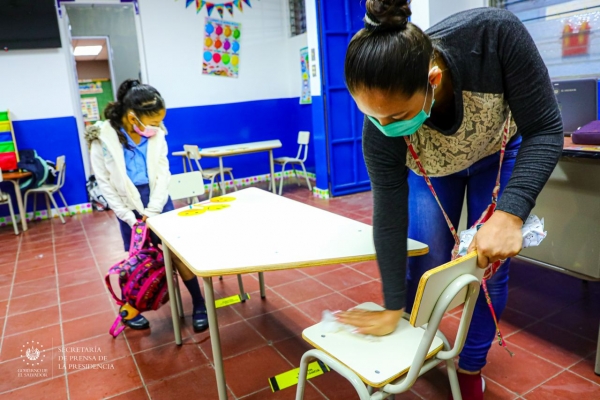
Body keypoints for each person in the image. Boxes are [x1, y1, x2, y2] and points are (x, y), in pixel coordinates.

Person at [337, 2, 562, 399]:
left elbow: (545, 128)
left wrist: (510, 214)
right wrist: (391, 305)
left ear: (433, 79)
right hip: (434, 167)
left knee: (486, 268)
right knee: (426, 260)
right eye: (374, 118)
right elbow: (389, 213)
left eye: (397, 116)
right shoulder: (382, 128)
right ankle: (414, 344)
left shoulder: (493, 35)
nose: (386, 129)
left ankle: (471, 365)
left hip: (498, 151)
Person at [86, 79, 209, 333]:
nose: (158, 127)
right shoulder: (103, 138)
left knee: (174, 252)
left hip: (156, 198)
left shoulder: (157, 135)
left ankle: (199, 304)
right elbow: (105, 184)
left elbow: (163, 175)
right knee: (138, 258)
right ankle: (132, 308)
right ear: (133, 117)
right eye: (153, 123)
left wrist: (153, 211)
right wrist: (130, 218)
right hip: (127, 204)